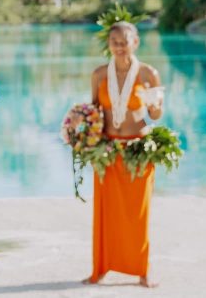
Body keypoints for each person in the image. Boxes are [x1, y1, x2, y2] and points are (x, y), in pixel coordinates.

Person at [85, 21, 164, 288]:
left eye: (124, 41)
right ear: (109, 44)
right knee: (105, 214)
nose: (119, 47)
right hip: (107, 151)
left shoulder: (148, 74)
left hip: (137, 151)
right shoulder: (99, 75)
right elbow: (94, 112)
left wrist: (156, 107)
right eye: (114, 42)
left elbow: (156, 114)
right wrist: (80, 133)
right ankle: (101, 267)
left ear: (135, 42)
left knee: (138, 214)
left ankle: (143, 270)